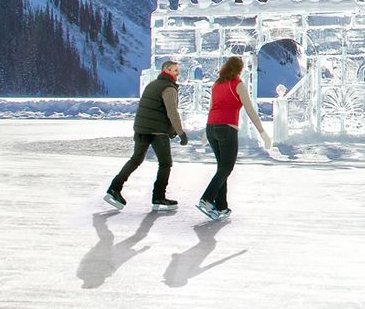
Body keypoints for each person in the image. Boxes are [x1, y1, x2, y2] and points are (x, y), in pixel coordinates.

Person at [106, 60, 188, 211]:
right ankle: (158, 196)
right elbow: (172, 112)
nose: (178, 73)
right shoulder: (168, 88)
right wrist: (180, 132)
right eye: (175, 70)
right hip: (157, 131)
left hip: (142, 129)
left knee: (136, 159)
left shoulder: (152, 85)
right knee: (165, 164)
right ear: (167, 70)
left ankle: (114, 188)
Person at [197, 56, 271, 220]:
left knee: (221, 167)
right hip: (226, 128)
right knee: (226, 167)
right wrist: (262, 132)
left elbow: (211, 107)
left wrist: (205, 132)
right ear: (239, 69)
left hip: (211, 128)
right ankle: (207, 199)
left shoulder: (217, 84)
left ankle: (221, 206)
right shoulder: (238, 85)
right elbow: (250, 110)